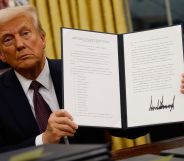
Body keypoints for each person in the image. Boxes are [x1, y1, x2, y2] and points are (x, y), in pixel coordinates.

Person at [0, 5, 149, 153]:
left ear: (42, 38)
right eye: (7, 40)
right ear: (1, 55)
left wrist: (153, 101)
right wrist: (44, 140)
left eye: (25, 33)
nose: (19, 44)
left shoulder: (83, 72)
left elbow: (128, 130)